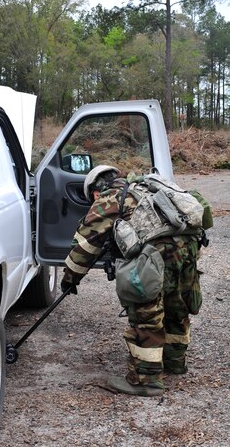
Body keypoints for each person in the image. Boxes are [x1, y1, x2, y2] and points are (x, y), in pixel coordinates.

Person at [60, 165, 202, 397]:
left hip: (156, 253)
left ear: (95, 192)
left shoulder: (109, 198)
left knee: (146, 311)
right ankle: (175, 362)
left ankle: (146, 380)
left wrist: (70, 278)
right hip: (188, 247)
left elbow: (86, 244)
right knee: (178, 304)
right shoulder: (146, 186)